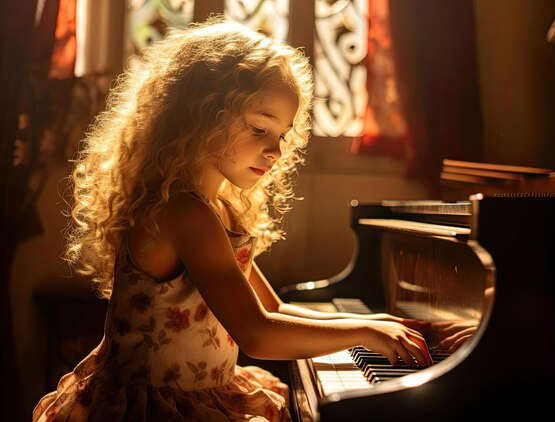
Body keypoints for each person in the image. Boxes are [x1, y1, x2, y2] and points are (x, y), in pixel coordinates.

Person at [33, 17, 432, 421]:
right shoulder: (185, 213)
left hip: (199, 393)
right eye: (259, 128)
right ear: (200, 115)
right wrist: (362, 334)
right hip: (157, 408)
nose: (275, 151)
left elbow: (271, 307)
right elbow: (256, 333)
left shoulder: (213, 206)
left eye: (282, 135)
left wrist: (364, 323)